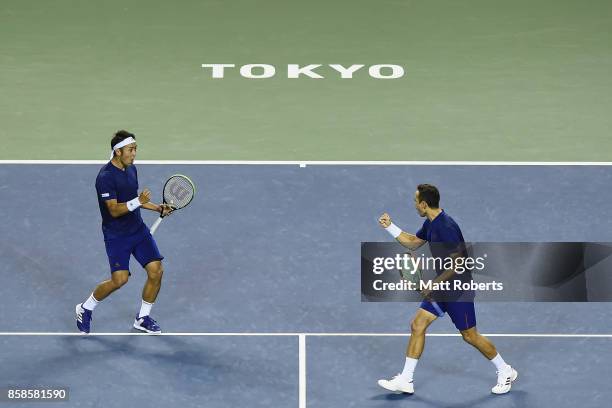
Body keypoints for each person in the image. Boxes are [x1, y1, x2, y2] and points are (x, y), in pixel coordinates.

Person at [377, 184, 517, 395]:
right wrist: (390, 227)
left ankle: (505, 370)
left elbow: (458, 264)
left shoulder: (447, 227)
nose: (415, 205)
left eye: (416, 202)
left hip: (458, 290)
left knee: (470, 336)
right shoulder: (430, 223)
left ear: (424, 204)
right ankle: (406, 379)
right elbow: (414, 242)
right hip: (443, 286)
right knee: (417, 325)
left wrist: (433, 284)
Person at [75, 130, 174, 334]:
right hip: (116, 236)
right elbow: (114, 210)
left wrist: (157, 208)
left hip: (137, 230)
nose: (134, 153)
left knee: (156, 271)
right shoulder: (105, 177)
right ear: (118, 151)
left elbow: (133, 200)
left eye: (136, 148)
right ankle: (85, 308)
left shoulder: (131, 170)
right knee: (120, 280)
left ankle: (142, 318)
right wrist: (139, 201)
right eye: (131, 149)